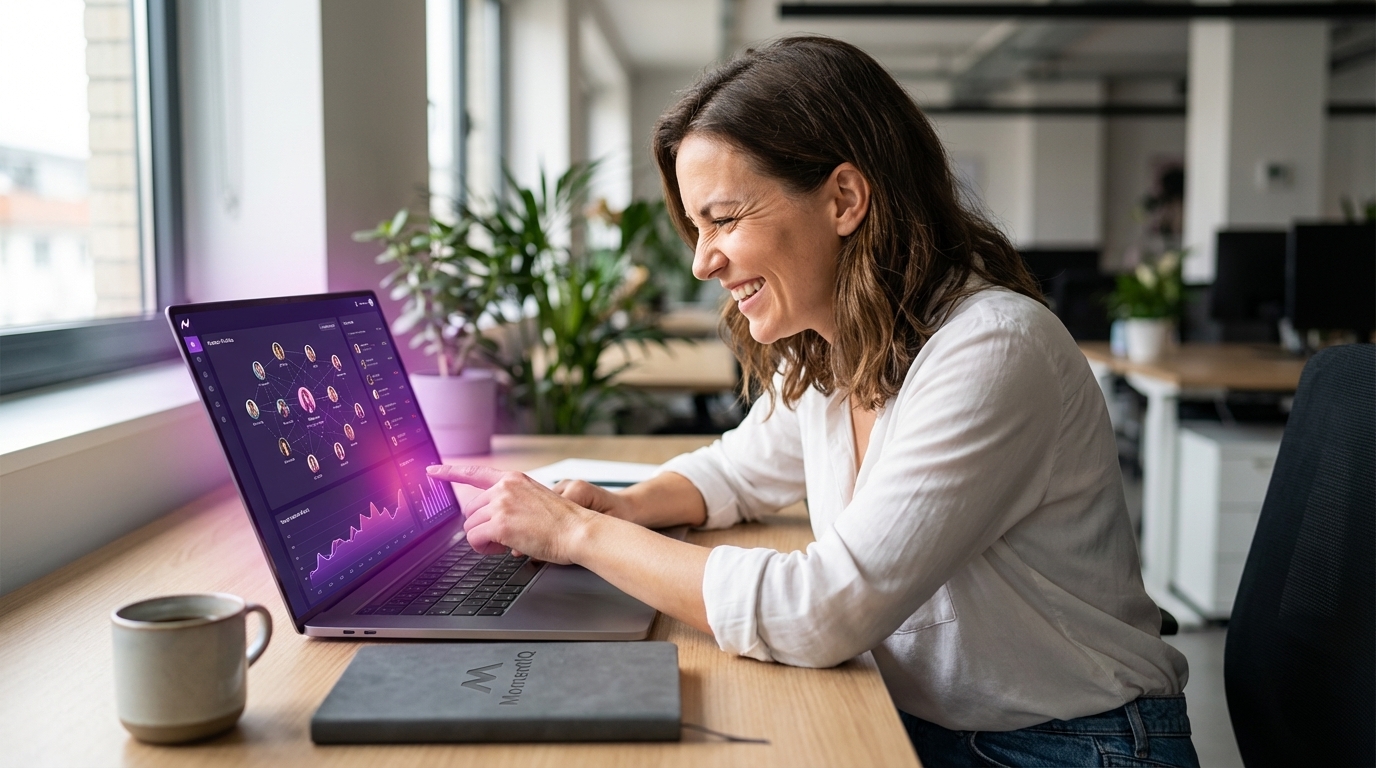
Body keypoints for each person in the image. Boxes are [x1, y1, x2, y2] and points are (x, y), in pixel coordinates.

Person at [426, 37, 1197, 768]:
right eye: (697, 229)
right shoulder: (842, 342)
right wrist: (621, 510)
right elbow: (740, 470)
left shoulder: (991, 348)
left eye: (723, 219)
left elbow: (822, 611)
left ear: (844, 199)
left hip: (1068, 745)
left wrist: (575, 536)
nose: (702, 262)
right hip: (936, 722)